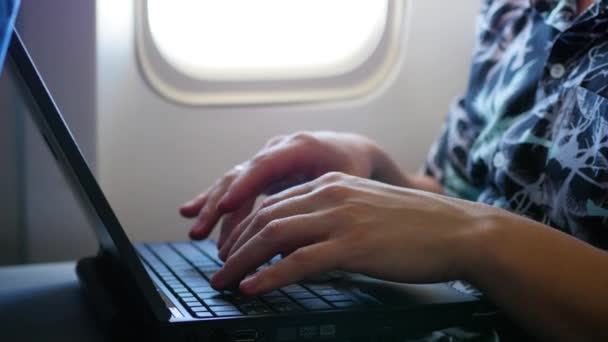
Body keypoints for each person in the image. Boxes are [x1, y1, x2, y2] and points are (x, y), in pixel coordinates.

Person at [180, 0, 608, 340]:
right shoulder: (511, 8)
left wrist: (476, 238)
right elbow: (459, 190)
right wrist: (370, 167)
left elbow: (464, 226)